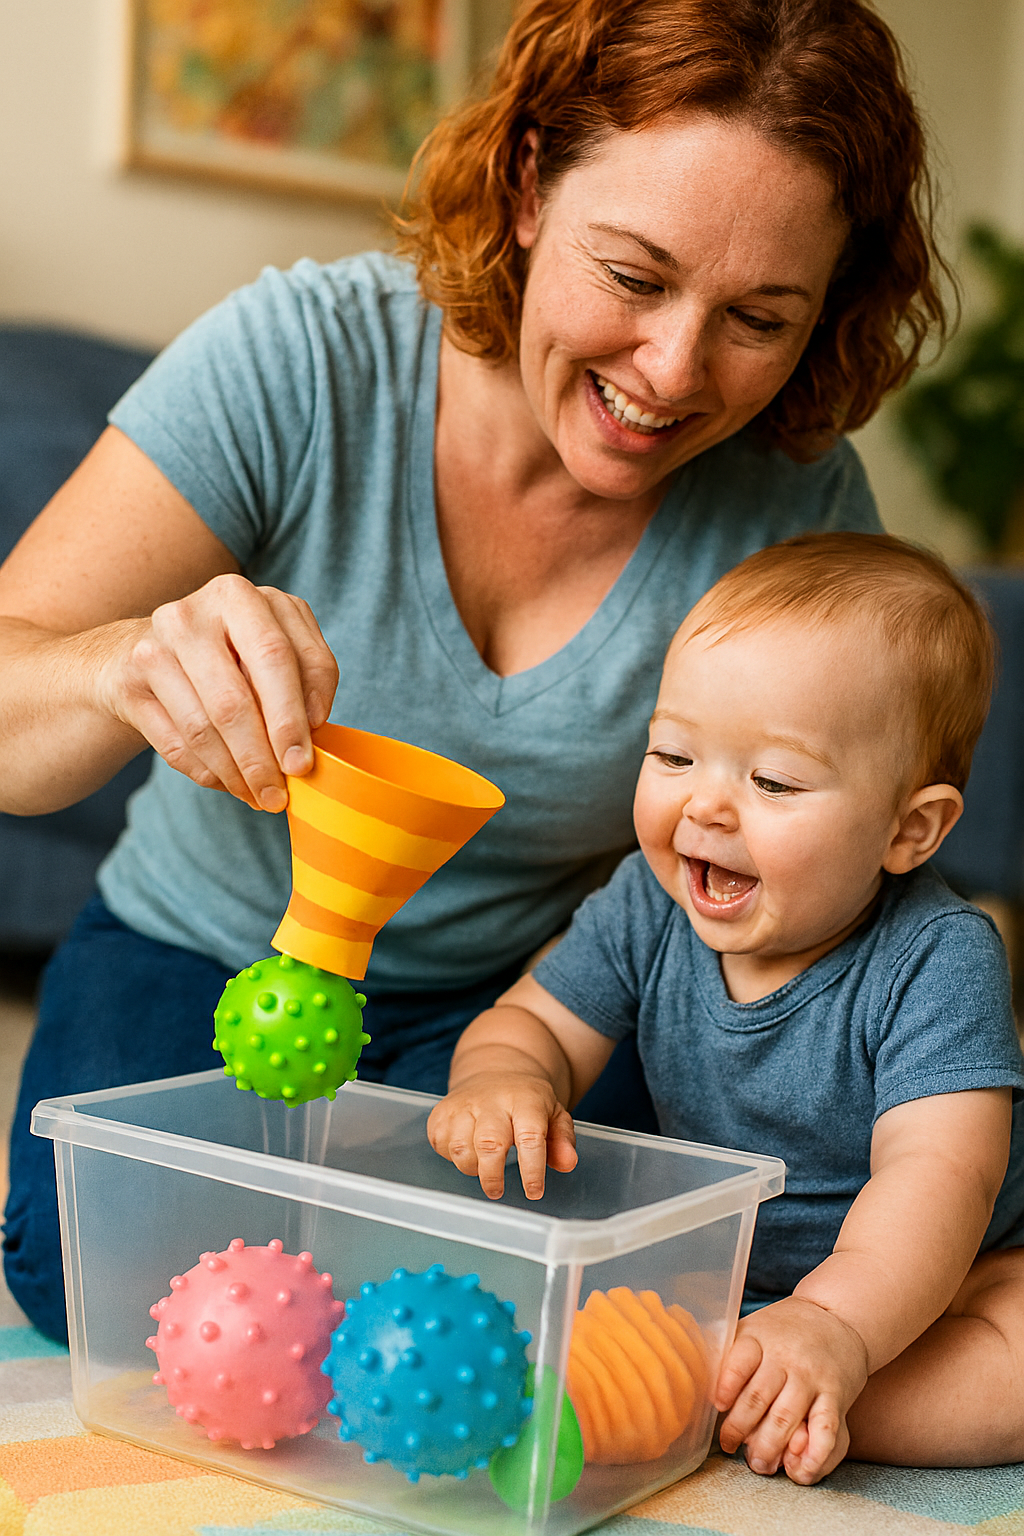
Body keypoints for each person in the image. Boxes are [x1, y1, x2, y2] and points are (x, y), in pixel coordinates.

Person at [0, 0, 945, 1341]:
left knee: (580, 1292)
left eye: (759, 316)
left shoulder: (794, 509)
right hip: (200, 947)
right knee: (84, 1285)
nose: (673, 372)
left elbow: (832, 865)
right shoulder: (305, 361)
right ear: (522, 190)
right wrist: (118, 668)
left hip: (532, 1003)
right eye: (632, 276)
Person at [427, 532, 1024, 1483]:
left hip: (946, 1277)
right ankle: (746, 1382)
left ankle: (769, 1395)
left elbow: (941, 1175)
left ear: (908, 830)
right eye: (673, 755)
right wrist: (505, 1079)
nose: (705, 806)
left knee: (1019, 1360)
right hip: (723, 1272)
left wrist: (837, 1323)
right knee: (561, 1282)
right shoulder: (646, 904)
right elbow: (533, 1021)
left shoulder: (939, 955)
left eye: (773, 781)